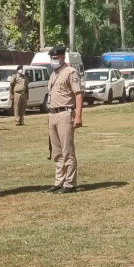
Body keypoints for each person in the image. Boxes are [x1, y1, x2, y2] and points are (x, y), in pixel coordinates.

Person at [45, 45, 83, 194]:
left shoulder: (70, 72)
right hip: (53, 113)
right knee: (56, 151)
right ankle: (59, 180)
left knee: (67, 150)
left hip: (65, 113)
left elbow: (78, 94)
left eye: (55, 58)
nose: (53, 61)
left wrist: (78, 116)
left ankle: (70, 183)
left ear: (62, 57)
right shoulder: (54, 74)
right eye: (51, 58)